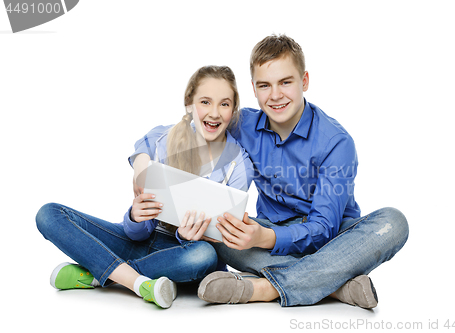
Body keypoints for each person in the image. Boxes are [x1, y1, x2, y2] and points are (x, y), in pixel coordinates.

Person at [131, 35, 409, 309]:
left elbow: (324, 228)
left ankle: (265, 288)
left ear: (305, 81)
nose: (275, 95)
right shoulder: (242, 124)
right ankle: (336, 286)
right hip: (268, 233)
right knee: (219, 231)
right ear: (253, 88)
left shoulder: (337, 142)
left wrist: (266, 238)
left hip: (334, 238)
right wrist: (142, 161)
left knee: (394, 222)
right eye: (265, 85)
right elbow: (187, 125)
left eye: (285, 82)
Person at [36, 65, 253, 309]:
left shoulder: (239, 166)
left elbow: (221, 237)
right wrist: (135, 217)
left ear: (233, 110)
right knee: (49, 213)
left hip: (182, 256)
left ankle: (102, 274)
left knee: (203, 256)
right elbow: (135, 233)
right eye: (205, 102)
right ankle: (139, 282)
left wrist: (185, 235)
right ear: (190, 104)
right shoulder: (164, 139)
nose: (214, 113)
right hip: (138, 244)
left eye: (224, 104)